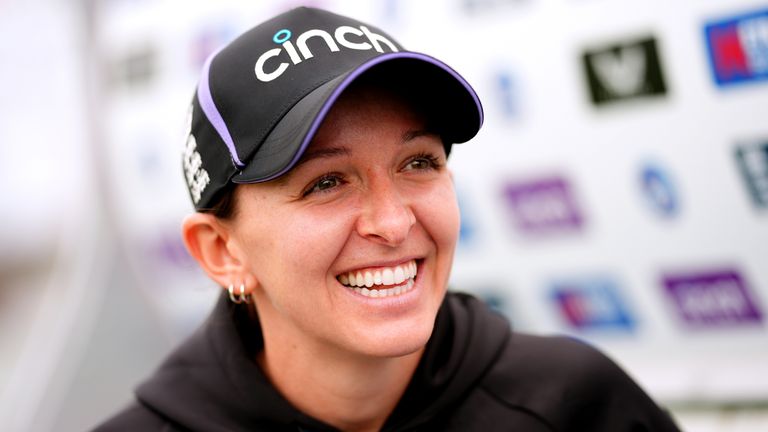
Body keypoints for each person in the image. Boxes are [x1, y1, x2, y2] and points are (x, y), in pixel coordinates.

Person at [95, 7, 681, 432]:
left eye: (418, 162)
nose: (394, 223)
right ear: (222, 252)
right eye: (326, 183)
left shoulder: (577, 404)